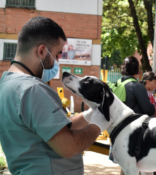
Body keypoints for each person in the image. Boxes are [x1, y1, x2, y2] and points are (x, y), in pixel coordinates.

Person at [0, 16, 102, 175]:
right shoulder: (33, 90)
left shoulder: (6, 84)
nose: (56, 62)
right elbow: (69, 147)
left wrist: (89, 115)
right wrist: (99, 125)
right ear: (41, 51)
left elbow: (53, 128)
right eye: (56, 55)